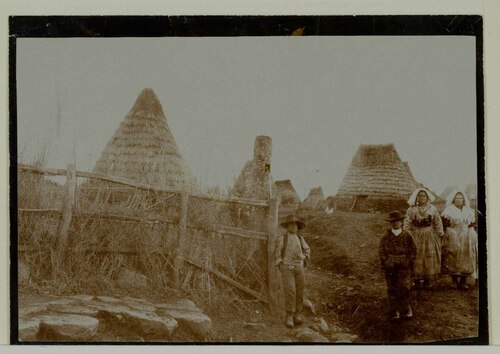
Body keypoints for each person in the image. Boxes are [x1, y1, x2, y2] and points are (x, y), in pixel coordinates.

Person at [379, 210, 417, 320]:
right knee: (392, 287)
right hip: (390, 265)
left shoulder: (407, 235)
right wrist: (385, 261)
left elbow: (413, 250)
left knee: (404, 286)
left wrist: (409, 261)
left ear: (402, 222)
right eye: (393, 222)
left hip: (403, 265)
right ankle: (393, 310)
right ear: (390, 223)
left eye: (398, 221)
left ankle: (405, 308)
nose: (395, 223)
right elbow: (381, 250)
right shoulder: (386, 236)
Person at [403, 188, 444, 290]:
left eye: (424, 196)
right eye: (420, 196)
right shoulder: (411, 209)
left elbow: (437, 222)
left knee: (429, 256)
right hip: (416, 235)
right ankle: (416, 281)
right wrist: (407, 235)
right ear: (416, 197)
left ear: (427, 197)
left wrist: (440, 233)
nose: (422, 198)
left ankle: (427, 281)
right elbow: (407, 223)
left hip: (430, 235)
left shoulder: (432, 209)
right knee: (417, 256)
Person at [274, 215, 311, 328]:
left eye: (295, 225)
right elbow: (277, 253)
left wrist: (304, 257)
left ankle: (297, 315)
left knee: (300, 291)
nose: (293, 227)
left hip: (299, 268)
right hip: (287, 268)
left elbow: (307, 250)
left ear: (297, 227)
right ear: (287, 227)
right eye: (291, 225)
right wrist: (281, 264)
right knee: (290, 291)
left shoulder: (300, 238)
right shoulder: (283, 238)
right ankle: (289, 316)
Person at [441, 190, 478, 290]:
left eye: (461, 198)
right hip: (453, 234)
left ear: (464, 199)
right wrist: (449, 231)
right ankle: (454, 280)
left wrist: (470, 231)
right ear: (453, 199)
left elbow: (471, 223)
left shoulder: (468, 210)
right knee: (453, 256)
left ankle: (463, 281)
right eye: (457, 198)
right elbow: (444, 223)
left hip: (465, 235)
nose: (459, 200)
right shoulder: (448, 210)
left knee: (465, 257)